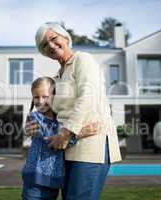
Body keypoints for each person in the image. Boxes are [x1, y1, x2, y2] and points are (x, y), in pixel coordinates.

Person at [26, 22, 122, 200]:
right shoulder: (56, 78)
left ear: (66, 37)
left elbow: (88, 96)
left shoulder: (82, 60)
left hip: (91, 147)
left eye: (54, 39)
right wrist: (32, 124)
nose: (51, 46)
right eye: (45, 45)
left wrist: (67, 133)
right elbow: (48, 114)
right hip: (65, 151)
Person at [22, 77, 99, 200]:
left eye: (45, 96)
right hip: (35, 181)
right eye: (36, 97)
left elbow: (63, 135)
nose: (40, 101)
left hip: (53, 182)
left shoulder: (60, 119)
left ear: (55, 97)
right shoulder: (34, 118)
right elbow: (52, 142)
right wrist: (79, 133)